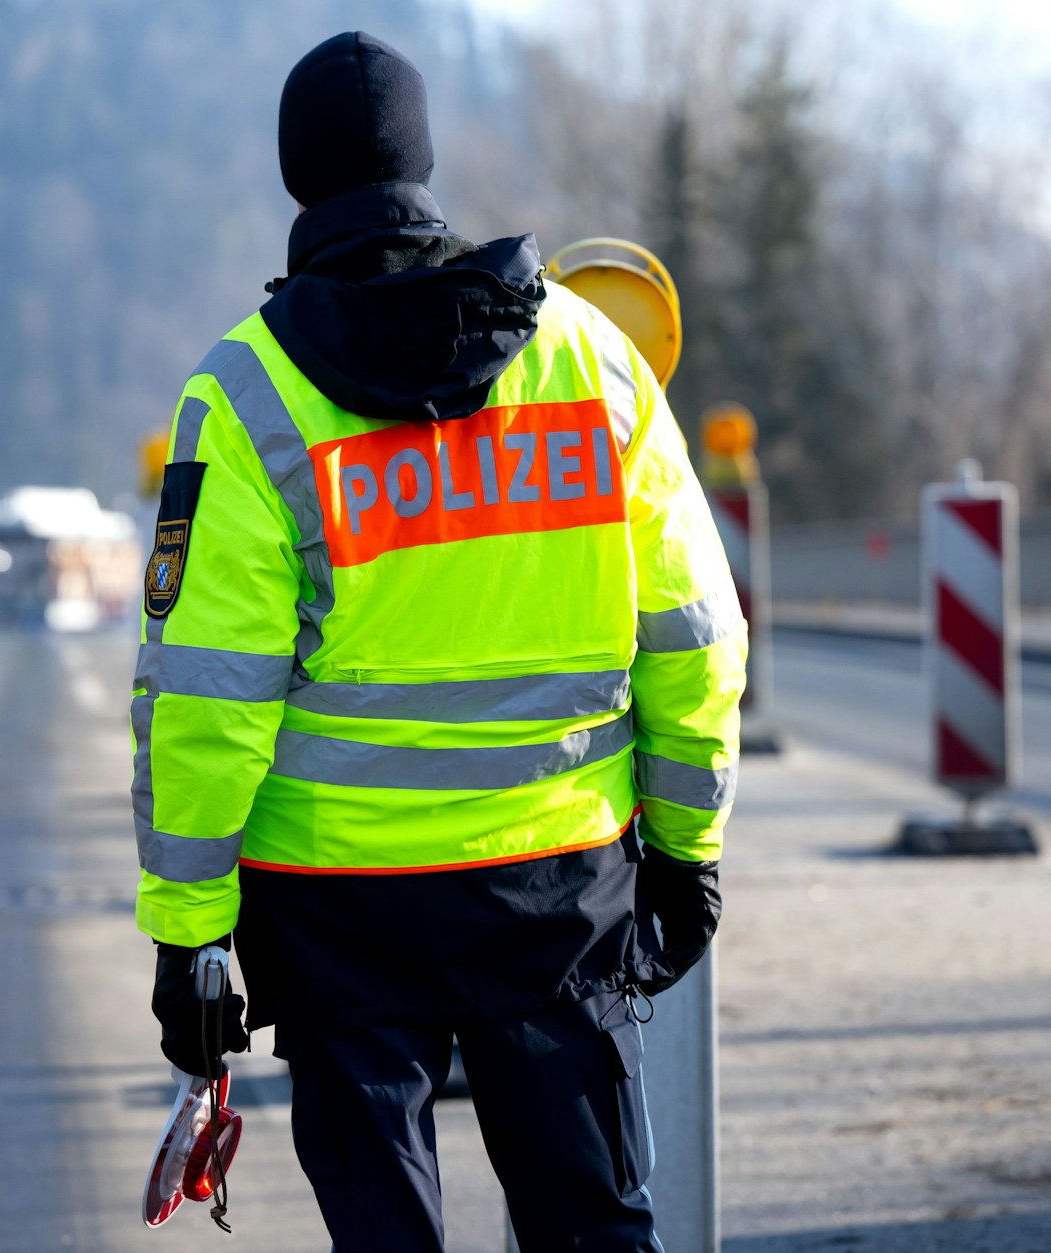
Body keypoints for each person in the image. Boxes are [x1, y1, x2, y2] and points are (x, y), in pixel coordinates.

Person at [133, 31, 744, 1252]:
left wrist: (187, 931)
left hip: (336, 910)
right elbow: (693, 634)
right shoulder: (590, 361)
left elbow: (205, 696)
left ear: (296, 173)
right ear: (421, 161)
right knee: (591, 1228)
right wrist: (685, 850)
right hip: (556, 885)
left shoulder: (245, 395)